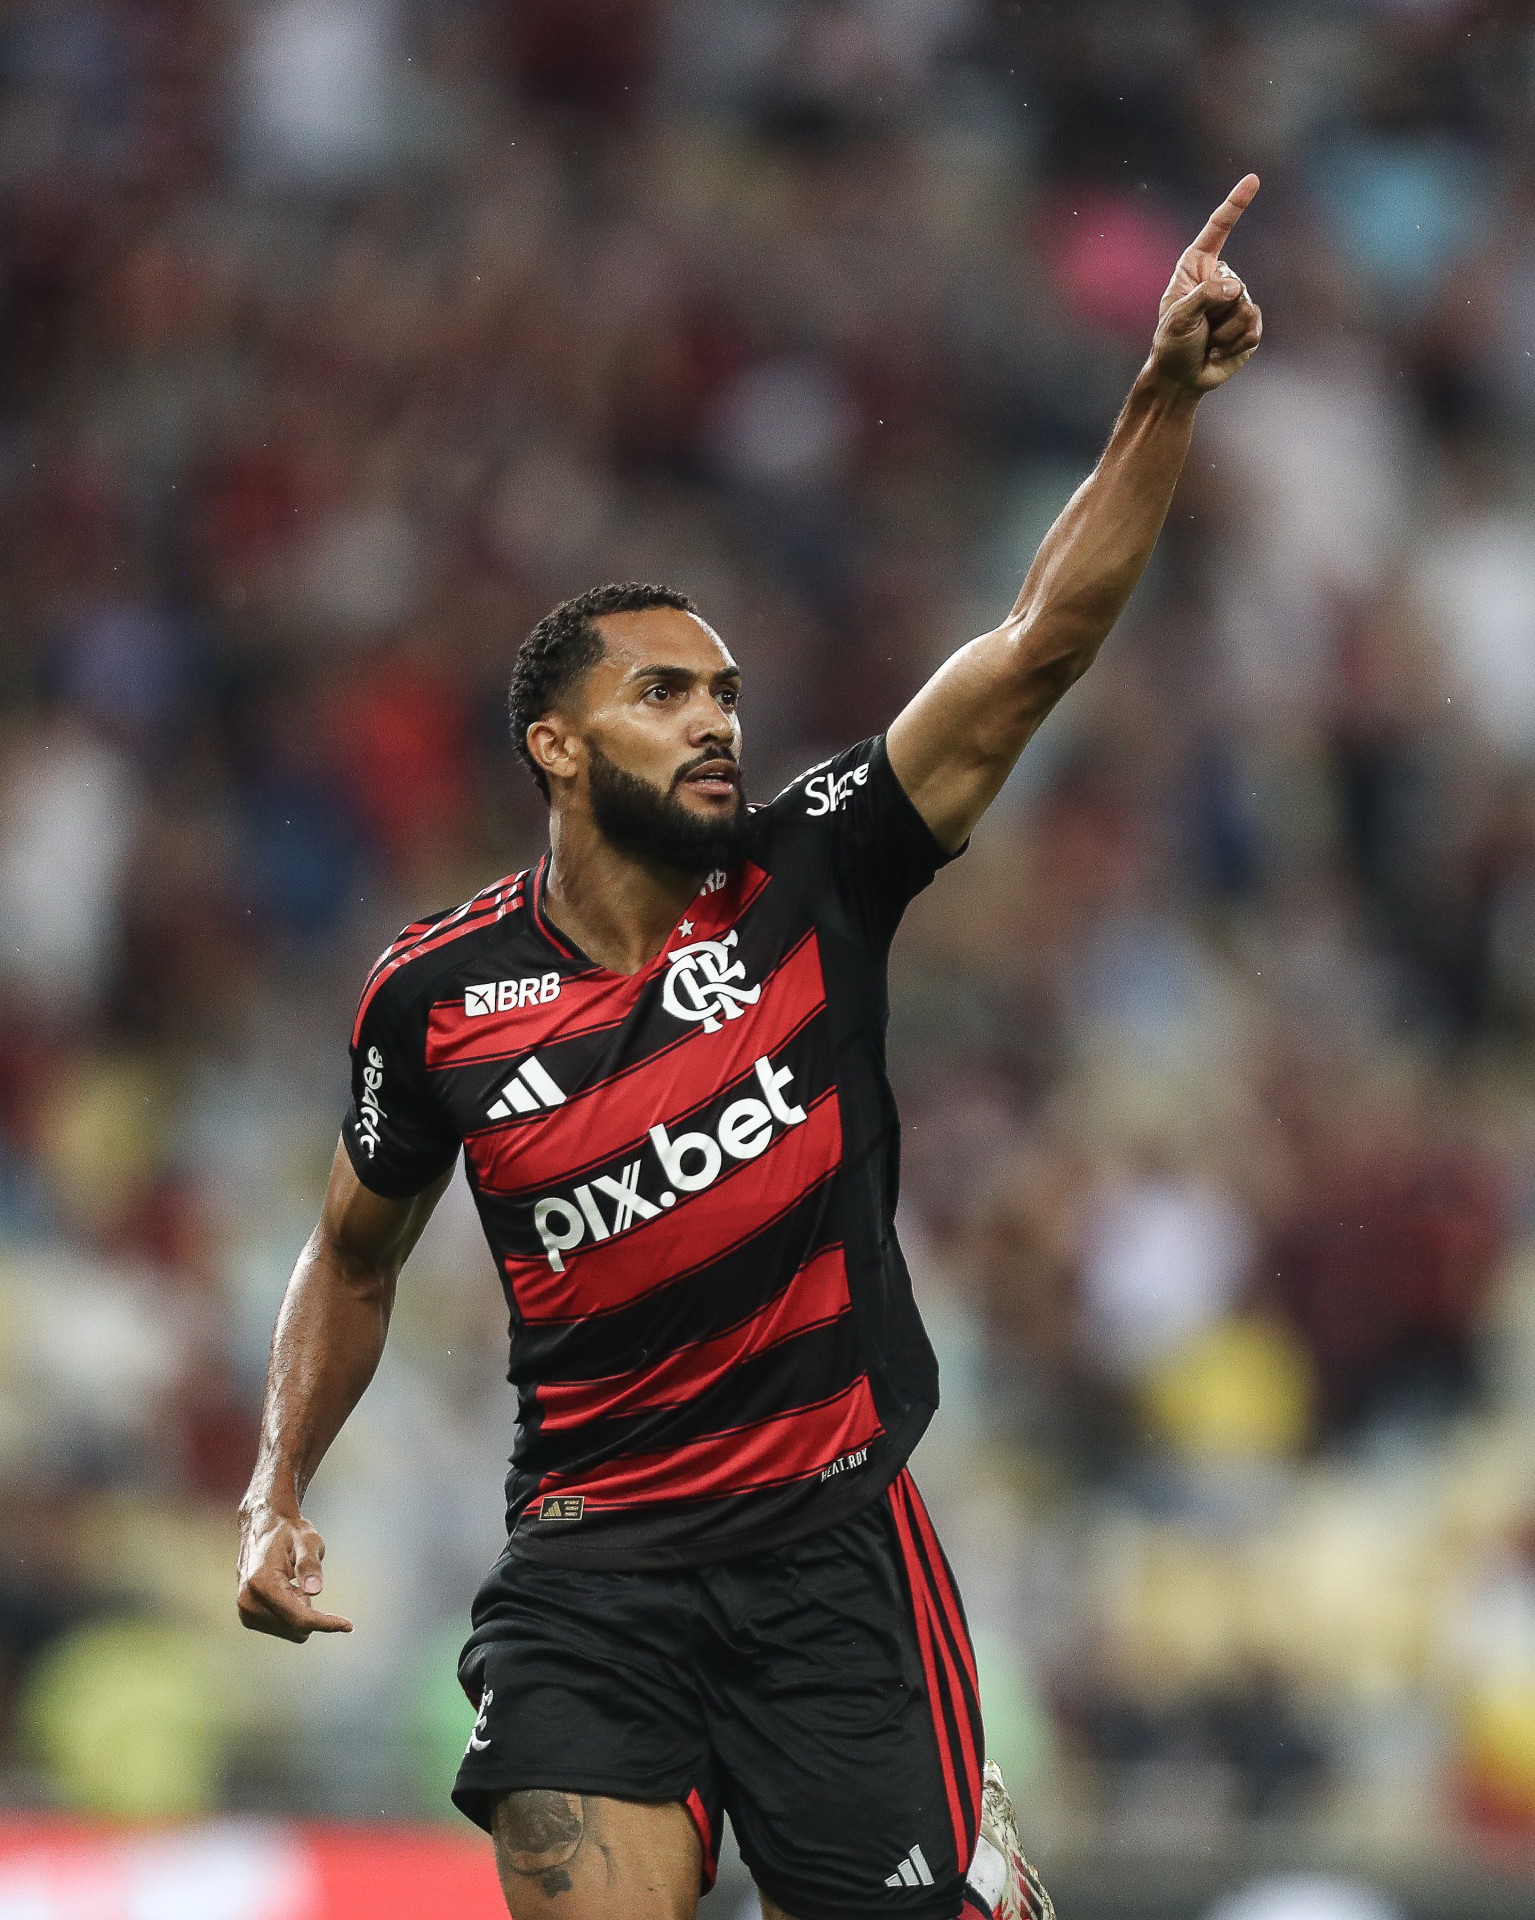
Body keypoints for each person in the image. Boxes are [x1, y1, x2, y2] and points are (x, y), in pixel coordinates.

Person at [236, 179, 1263, 1920]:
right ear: (557, 747)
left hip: (832, 1561)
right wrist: (274, 1493)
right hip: (595, 1576)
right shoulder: (434, 1000)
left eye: (724, 693)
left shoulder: (812, 875)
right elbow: (352, 1251)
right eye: (665, 695)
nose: (717, 721)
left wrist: (1159, 390)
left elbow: (1036, 648)